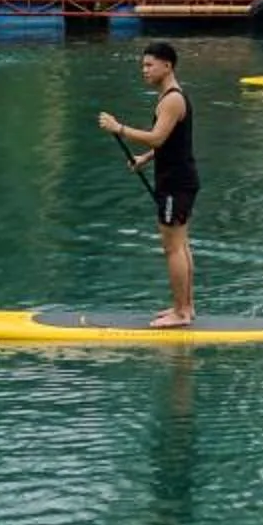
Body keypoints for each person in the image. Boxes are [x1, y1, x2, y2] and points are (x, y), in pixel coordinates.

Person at [100, 41, 197, 326]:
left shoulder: (171, 100)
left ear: (167, 65)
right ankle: (185, 307)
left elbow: (157, 136)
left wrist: (119, 129)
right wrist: (145, 158)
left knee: (173, 248)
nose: (144, 70)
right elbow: (169, 143)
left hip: (176, 183)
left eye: (149, 65)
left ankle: (181, 313)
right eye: (143, 65)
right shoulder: (170, 98)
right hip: (179, 180)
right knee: (181, 245)